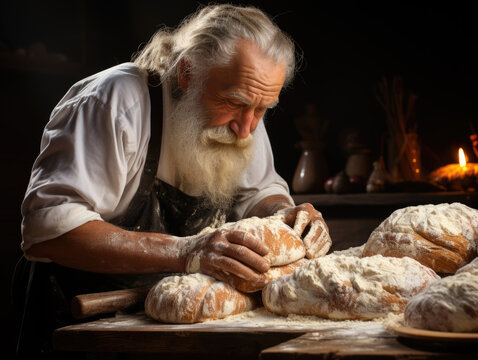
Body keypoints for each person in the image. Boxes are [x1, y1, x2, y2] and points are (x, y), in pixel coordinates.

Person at [16, 3, 331, 354]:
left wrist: (284, 218)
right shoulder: (115, 102)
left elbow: (259, 193)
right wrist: (185, 251)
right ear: (187, 74)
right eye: (233, 102)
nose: (247, 129)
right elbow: (48, 230)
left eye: (262, 110)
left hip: (172, 330)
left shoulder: (243, 114)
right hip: (81, 327)